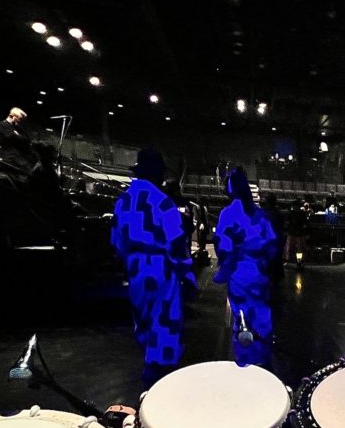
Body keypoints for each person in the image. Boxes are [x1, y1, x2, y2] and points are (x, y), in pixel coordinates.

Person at [111, 148, 194, 384]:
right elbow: (176, 243)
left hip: (136, 268)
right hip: (162, 267)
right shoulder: (162, 201)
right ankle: (162, 378)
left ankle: (150, 368)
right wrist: (187, 274)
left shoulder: (123, 201)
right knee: (165, 322)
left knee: (144, 320)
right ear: (157, 173)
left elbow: (116, 241)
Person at [214, 166, 278, 366]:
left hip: (239, 273)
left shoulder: (227, 214)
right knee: (261, 317)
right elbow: (272, 245)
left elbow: (223, 247)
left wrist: (225, 268)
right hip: (259, 273)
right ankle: (263, 361)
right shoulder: (260, 214)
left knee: (242, 319)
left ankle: (245, 361)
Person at [263, 193, 286, 285]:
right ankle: (276, 278)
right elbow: (282, 227)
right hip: (276, 238)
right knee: (276, 259)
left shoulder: (263, 212)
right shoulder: (278, 213)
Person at [284, 199, 309, 267]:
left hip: (298, 233)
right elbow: (288, 223)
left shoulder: (302, 214)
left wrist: (306, 233)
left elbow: (305, 223)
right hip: (292, 232)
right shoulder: (292, 213)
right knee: (289, 248)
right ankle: (288, 261)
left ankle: (299, 261)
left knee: (299, 249)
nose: (295, 207)